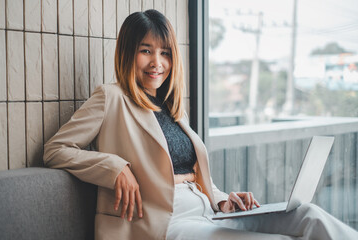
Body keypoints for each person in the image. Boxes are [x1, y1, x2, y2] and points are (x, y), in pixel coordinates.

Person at [43, 9, 358, 240]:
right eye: (145, 51)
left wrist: (223, 199)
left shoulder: (172, 108)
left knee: (308, 215)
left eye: (165, 53)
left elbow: (194, 176)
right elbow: (56, 150)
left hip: (209, 213)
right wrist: (115, 167)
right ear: (129, 54)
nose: (157, 62)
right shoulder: (110, 98)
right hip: (166, 225)